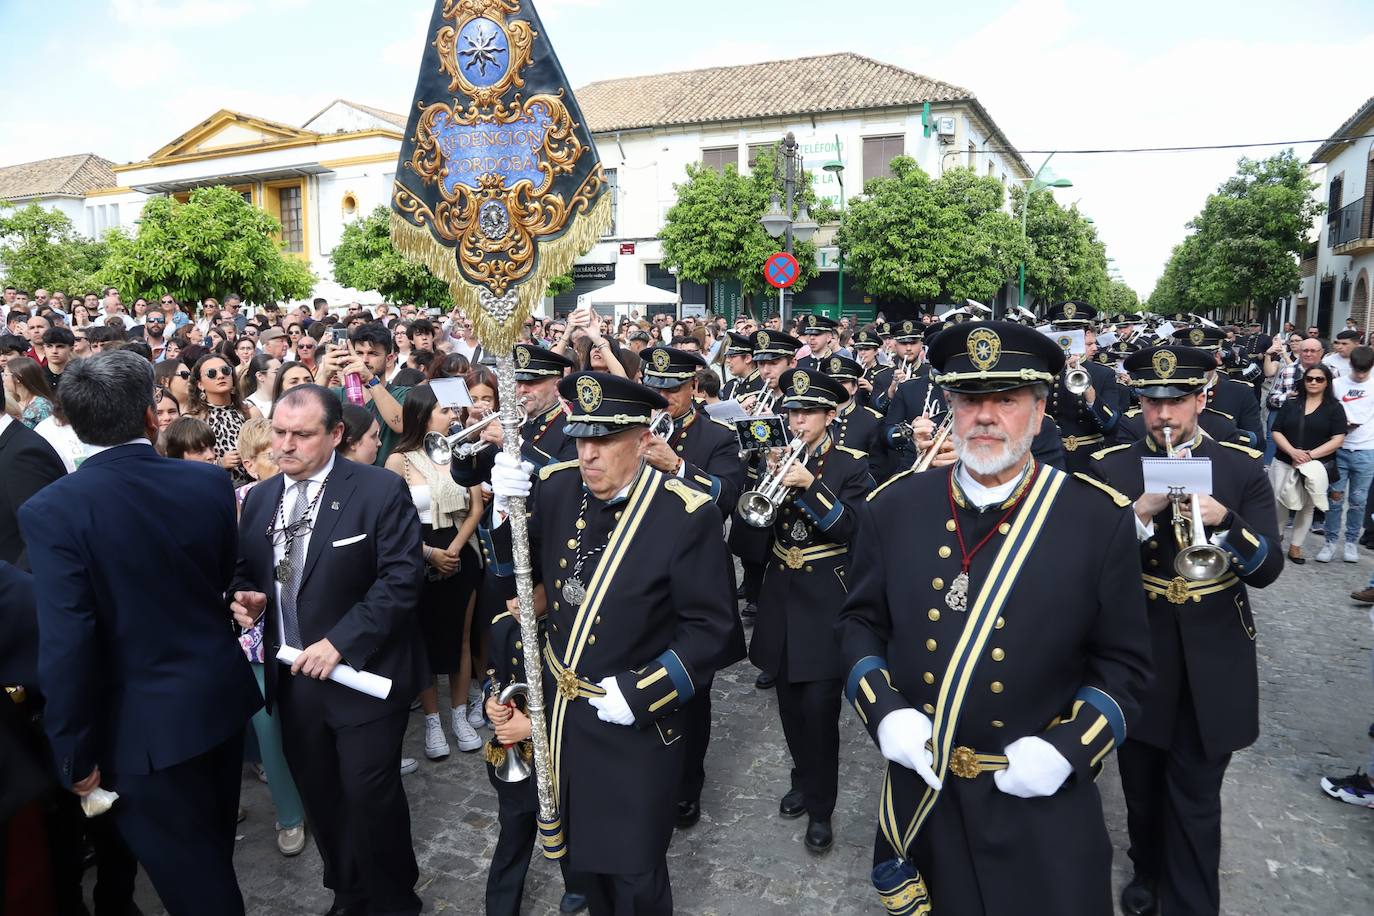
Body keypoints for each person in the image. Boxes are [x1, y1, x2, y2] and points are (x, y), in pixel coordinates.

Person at [837, 320, 1151, 916]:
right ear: (949, 407)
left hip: (1038, 800)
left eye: (1005, 400)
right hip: (923, 789)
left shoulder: (1094, 516)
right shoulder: (894, 506)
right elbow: (859, 625)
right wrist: (884, 713)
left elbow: (1126, 664)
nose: (985, 416)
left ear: (1038, 413)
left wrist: (1069, 750)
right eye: (969, 400)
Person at [18, 349, 262, 915]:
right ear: (152, 416)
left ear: (74, 424)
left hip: (141, 730)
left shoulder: (54, 510)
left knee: (197, 884)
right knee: (209, 858)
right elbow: (215, 579)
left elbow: (68, 642)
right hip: (216, 703)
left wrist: (73, 753)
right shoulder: (206, 485)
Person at [488, 371, 738, 915]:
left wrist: (640, 693)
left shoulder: (686, 513)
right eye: (581, 438)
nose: (588, 454)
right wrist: (502, 509)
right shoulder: (556, 486)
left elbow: (713, 631)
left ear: (643, 438)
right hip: (559, 716)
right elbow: (520, 571)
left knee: (634, 876)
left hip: (633, 727)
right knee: (579, 865)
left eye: (604, 440)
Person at [1089, 344, 1283, 916]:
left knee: (1197, 793)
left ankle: (1193, 901)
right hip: (1141, 647)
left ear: (1201, 399)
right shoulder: (1111, 468)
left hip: (1213, 652)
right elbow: (1087, 571)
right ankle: (1147, 868)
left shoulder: (1240, 467)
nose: (1164, 416)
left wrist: (1226, 521)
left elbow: (1268, 569)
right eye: (1151, 402)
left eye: (1176, 402)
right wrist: (1139, 514)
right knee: (1142, 786)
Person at [230, 384, 428, 916]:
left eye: (301, 435)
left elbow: (402, 581)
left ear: (336, 434)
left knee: (370, 795)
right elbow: (248, 571)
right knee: (321, 795)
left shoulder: (378, 489)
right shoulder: (262, 498)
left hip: (365, 678)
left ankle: (393, 898)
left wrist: (340, 642)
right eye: (278, 433)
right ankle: (347, 890)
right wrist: (245, 597)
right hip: (294, 682)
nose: (284, 446)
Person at [736, 367, 874, 853]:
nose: (796, 421)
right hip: (780, 594)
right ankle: (800, 777)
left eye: (807, 412)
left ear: (830, 416)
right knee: (790, 708)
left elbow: (852, 530)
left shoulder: (850, 466)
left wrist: (811, 484)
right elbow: (749, 539)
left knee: (819, 711)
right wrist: (760, 477)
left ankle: (822, 805)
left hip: (825, 600)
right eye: (792, 411)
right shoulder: (772, 459)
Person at [638, 346, 746, 829]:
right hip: (640, 572)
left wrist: (677, 465)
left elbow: (728, 498)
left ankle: (687, 786)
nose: (662, 398)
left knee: (692, 688)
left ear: (694, 389)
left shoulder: (718, 436)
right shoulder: (633, 427)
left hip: (695, 575)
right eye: (655, 388)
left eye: (672, 390)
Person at [384, 385, 486, 758]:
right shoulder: (400, 460)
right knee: (422, 638)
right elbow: (394, 519)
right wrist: (429, 553)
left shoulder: (461, 449)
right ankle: (432, 721)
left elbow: (475, 507)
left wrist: (455, 549)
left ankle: (459, 714)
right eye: (445, 411)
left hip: (461, 549)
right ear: (424, 414)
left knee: (460, 637)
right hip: (417, 552)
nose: (453, 417)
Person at [1269, 361, 1346, 563]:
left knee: (1307, 506)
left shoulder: (1335, 408)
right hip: (1285, 460)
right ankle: (1276, 539)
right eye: (1309, 378)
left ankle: (1296, 547)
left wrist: (1309, 456)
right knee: (1280, 501)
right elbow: (1276, 430)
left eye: (1319, 379)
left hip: (1315, 466)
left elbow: (1338, 439)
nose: (1313, 382)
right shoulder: (1291, 404)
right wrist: (1293, 452)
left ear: (1327, 383)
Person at [314, 324, 409, 465]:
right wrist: (324, 375)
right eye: (359, 353)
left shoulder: (402, 393)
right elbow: (304, 417)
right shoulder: (337, 394)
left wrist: (370, 380)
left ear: (389, 359)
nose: (364, 360)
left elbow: (401, 424)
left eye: (372, 354)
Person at [1320, 345, 1374, 564]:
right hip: (1339, 448)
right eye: (1358, 370)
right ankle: (1330, 542)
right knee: (1334, 498)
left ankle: (1351, 541)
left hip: (1366, 450)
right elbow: (1327, 411)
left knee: (1358, 501)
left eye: (1365, 371)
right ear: (1351, 365)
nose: (1361, 375)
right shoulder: (1336, 385)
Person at [188, 353, 261, 485]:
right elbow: (187, 464)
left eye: (226, 370)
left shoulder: (250, 412)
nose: (221, 376)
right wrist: (219, 464)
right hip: (213, 488)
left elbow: (266, 450)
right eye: (211, 373)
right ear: (200, 385)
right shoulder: (193, 419)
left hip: (253, 490)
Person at [3, 356, 57, 429]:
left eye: (6, 375)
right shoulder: (12, 402)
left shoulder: (42, 406)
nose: (3, 379)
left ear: (17, 378)